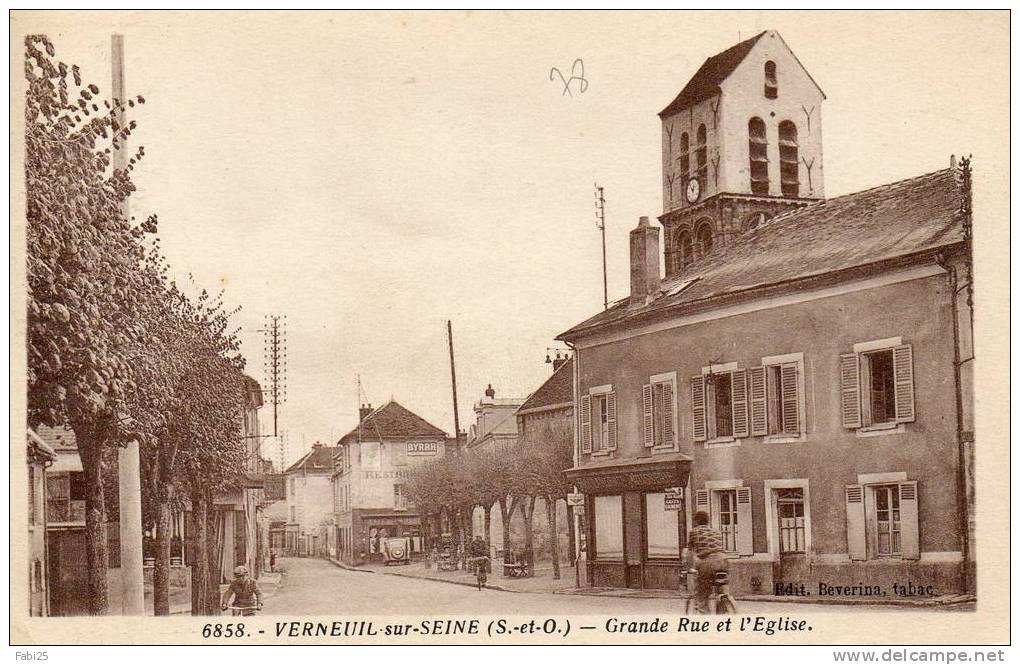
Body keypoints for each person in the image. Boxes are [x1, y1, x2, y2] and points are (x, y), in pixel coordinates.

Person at [686, 511, 729, 613]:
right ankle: (724, 600)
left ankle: (705, 618)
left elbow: (690, 553)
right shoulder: (716, 531)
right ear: (708, 521)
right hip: (723, 561)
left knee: (702, 595)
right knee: (721, 586)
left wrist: (689, 568)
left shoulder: (694, 532)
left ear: (696, 521)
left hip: (707, 563)